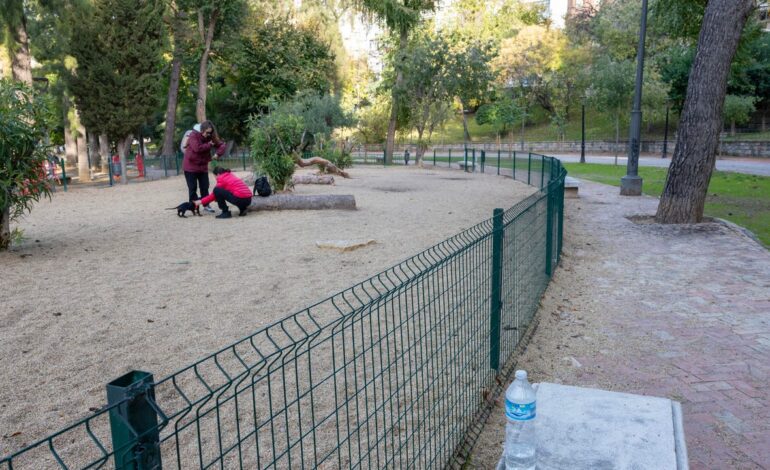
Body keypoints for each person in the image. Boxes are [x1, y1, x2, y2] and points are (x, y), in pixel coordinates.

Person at [183, 120, 226, 213]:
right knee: (192, 188)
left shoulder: (211, 137)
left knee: (205, 187)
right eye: (207, 132)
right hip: (190, 166)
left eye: (210, 132)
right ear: (202, 130)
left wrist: (217, 154)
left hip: (202, 167)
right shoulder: (193, 135)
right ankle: (193, 206)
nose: (209, 135)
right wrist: (209, 145)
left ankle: (206, 205)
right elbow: (197, 148)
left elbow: (222, 145)